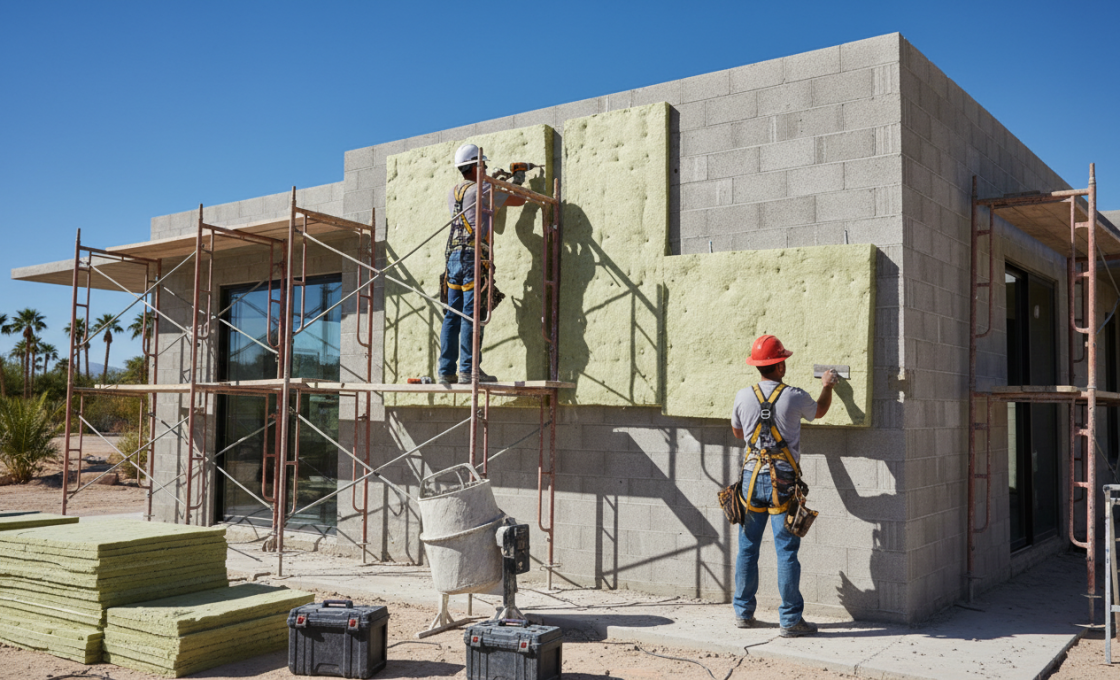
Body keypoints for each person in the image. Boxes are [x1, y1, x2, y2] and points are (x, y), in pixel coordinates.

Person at [730, 334, 839, 637]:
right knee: (786, 551)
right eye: (784, 361)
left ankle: (743, 613)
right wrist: (827, 385)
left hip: (751, 480)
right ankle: (790, 621)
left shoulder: (742, 395)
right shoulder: (793, 396)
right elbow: (819, 411)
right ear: (779, 367)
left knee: (747, 548)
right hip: (782, 481)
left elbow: (738, 434)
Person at [438, 143, 526, 385]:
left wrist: (494, 182)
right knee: (472, 315)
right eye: (483, 164)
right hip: (473, 259)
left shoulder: (454, 191)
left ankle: (446, 370)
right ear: (476, 166)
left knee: (451, 315)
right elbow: (520, 201)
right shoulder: (484, 188)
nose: (486, 168)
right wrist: (515, 179)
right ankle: (469, 371)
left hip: (453, 259)